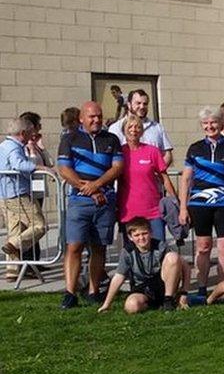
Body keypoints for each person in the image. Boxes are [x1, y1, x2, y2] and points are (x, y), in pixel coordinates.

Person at [57, 101, 123, 309]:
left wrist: (97, 185)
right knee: (74, 246)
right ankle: (70, 292)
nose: (96, 120)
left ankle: (94, 290)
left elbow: (117, 167)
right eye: (92, 116)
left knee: (99, 247)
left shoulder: (111, 139)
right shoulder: (69, 139)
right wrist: (88, 189)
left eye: (99, 116)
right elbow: (64, 169)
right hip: (80, 201)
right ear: (81, 119)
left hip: (105, 201)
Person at [179, 107, 224, 296]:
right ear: (202, 126)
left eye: (213, 122)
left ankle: (222, 288)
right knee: (203, 247)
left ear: (221, 123)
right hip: (199, 204)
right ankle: (202, 288)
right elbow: (185, 179)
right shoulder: (195, 148)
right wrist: (183, 208)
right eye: (206, 123)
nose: (210, 126)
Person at [97, 217, 190, 313]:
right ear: (130, 237)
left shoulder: (161, 246)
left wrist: (184, 292)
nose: (141, 238)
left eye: (144, 233)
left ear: (151, 233)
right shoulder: (127, 251)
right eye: (136, 235)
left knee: (173, 257)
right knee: (131, 306)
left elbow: (186, 267)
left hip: (162, 285)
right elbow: (119, 277)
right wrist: (106, 304)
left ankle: (168, 300)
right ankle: (156, 304)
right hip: (141, 288)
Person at [0, 116, 48, 281]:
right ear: (22, 133)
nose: (31, 135)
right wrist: (40, 167)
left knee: (16, 229)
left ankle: (12, 271)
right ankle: (15, 245)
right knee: (40, 226)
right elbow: (19, 165)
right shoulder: (14, 148)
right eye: (29, 133)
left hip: (6, 196)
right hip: (19, 194)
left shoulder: (4, 146)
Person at [117, 116, 177, 245]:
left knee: (159, 250)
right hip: (129, 211)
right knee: (132, 254)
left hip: (153, 210)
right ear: (124, 130)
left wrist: (176, 201)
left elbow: (164, 179)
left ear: (142, 131)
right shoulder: (119, 153)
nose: (134, 130)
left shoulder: (152, 151)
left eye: (138, 127)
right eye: (130, 127)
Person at [107, 89, 174, 167]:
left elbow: (167, 154)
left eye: (145, 104)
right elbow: (111, 157)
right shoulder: (115, 128)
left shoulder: (157, 127)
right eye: (138, 103)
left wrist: (158, 171)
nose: (142, 107)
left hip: (153, 178)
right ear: (129, 105)